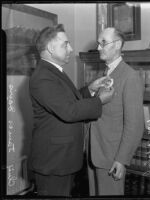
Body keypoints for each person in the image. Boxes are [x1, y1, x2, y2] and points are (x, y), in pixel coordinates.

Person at [28, 24, 114, 196]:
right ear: (51, 48)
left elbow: (66, 101)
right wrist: (99, 100)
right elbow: (69, 111)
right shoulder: (43, 76)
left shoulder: (52, 71)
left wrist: (89, 89)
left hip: (61, 159)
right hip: (53, 162)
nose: (71, 48)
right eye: (65, 44)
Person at [87, 27, 144, 195]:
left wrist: (121, 159)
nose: (98, 48)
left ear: (118, 44)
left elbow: (134, 125)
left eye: (103, 43)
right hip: (94, 153)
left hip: (111, 157)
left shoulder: (130, 76)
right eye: (98, 43)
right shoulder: (103, 73)